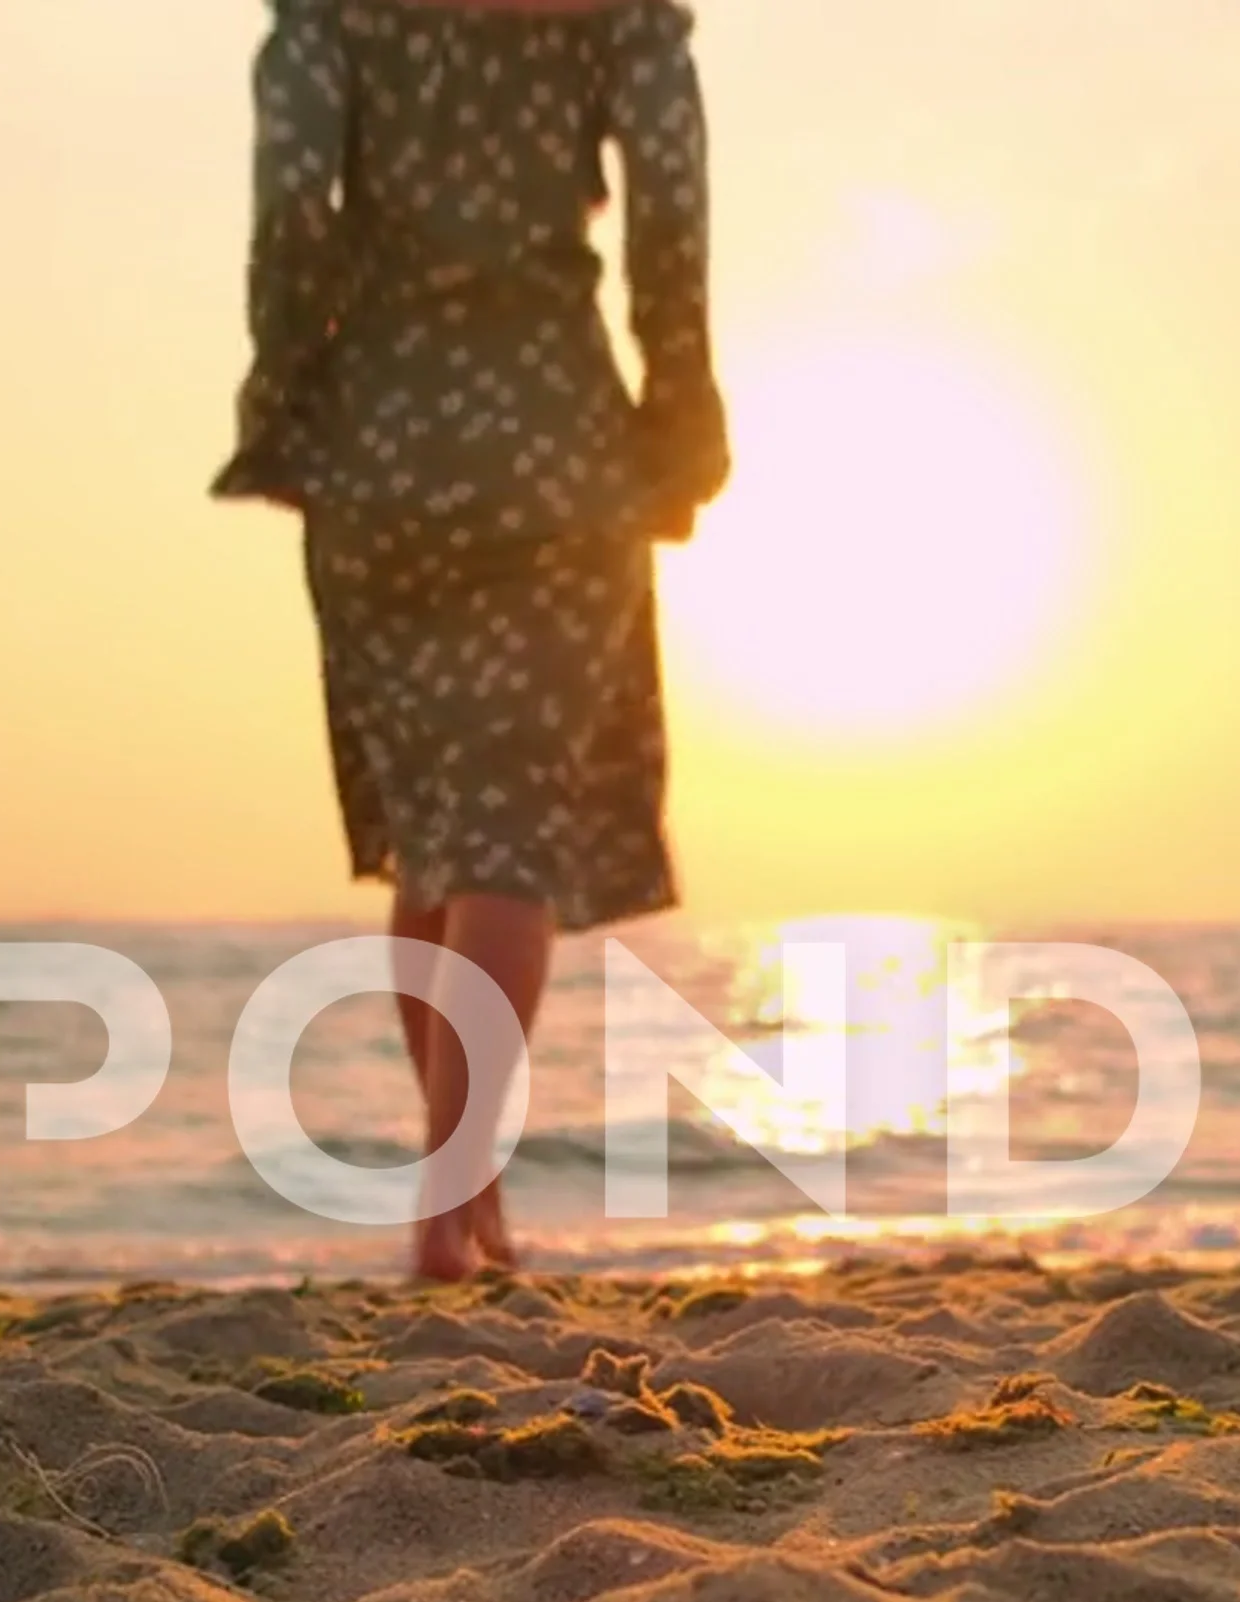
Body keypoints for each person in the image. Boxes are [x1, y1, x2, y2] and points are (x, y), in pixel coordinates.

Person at [215, 0, 729, 1284]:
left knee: (439, 826)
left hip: (378, 446)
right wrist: (680, 401)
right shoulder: (615, 18)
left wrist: (288, 390)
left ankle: (462, 1195)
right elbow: (671, 204)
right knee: (508, 827)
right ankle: (453, 1209)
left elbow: (290, 206)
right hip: (556, 440)